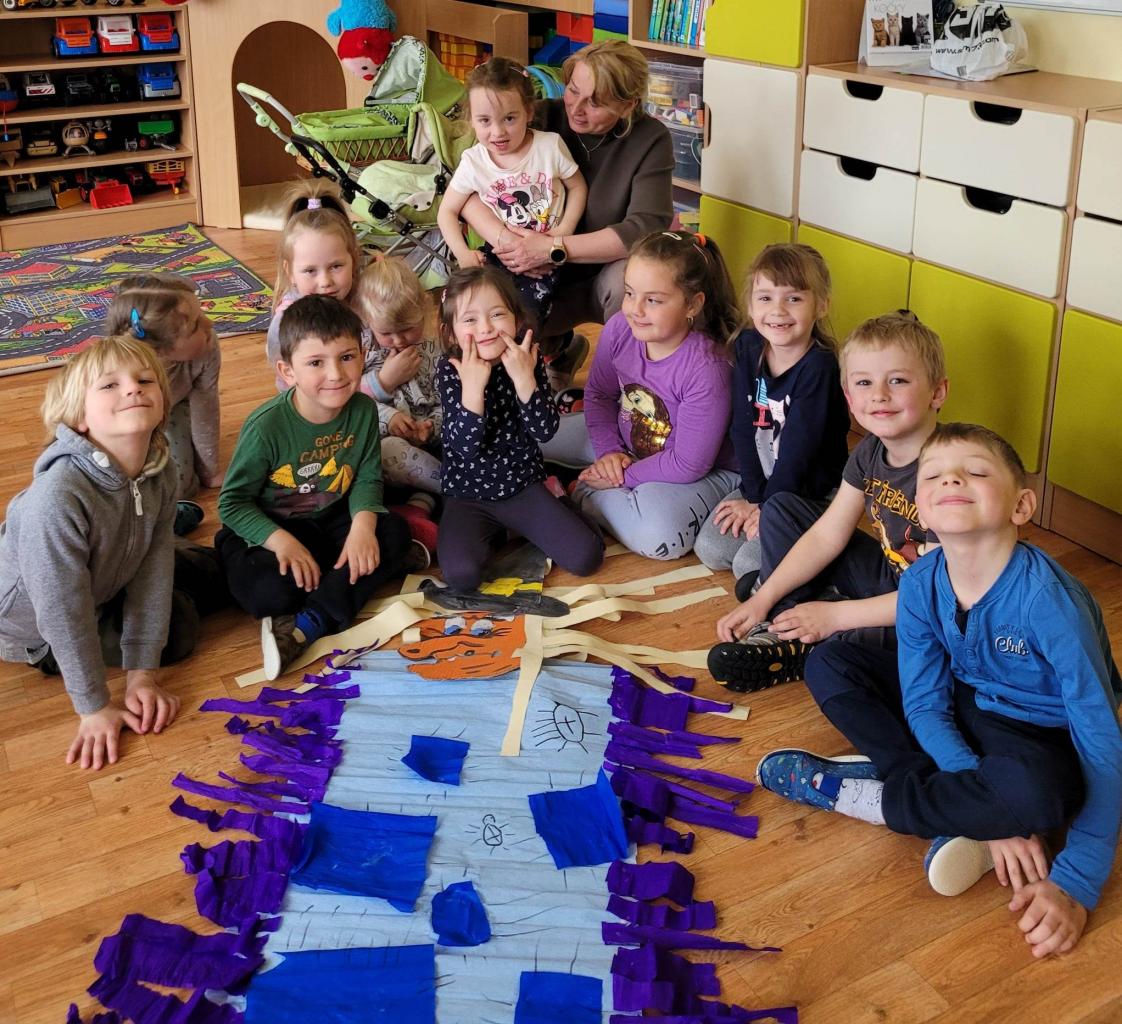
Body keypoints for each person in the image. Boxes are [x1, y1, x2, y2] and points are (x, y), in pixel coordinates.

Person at [755, 423, 1122, 959]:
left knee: (1039, 797)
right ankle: (963, 809)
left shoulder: (1049, 602)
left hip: (1038, 734)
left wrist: (1078, 881)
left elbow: (1100, 736)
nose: (951, 479)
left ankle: (878, 799)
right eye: (933, 476)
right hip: (964, 703)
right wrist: (976, 794)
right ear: (922, 511)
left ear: (1021, 505)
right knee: (831, 661)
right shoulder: (921, 581)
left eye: (975, 472)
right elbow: (925, 701)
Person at [710, 312, 948, 691]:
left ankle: (802, 635)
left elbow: (935, 596)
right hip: (891, 576)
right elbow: (826, 535)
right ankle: (788, 617)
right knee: (782, 508)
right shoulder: (870, 450)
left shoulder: (949, 474)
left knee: (875, 647)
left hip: (930, 609)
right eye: (864, 382)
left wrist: (835, 617)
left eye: (898, 380)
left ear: (937, 392)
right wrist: (764, 599)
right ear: (849, 398)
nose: (879, 395)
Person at [0, 335, 195, 770]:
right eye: (110, 385)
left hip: (107, 576)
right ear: (78, 419)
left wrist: (143, 673)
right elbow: (62, 612)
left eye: (145, 380)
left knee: (196, 573)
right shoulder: (56, 499)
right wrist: (94, 706)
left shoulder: (160, 470)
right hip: (36, 629)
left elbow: (155, 567)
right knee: (181, 629)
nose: (133, 389)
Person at [217, 295, 412, 681]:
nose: (336, 374)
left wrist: (362, 528)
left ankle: (312, 620)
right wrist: (282, 543)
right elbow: (232, 504)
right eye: (316, 363)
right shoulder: (266, 426)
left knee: (393, 532)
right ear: (287, 371)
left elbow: (367, 476)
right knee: (269, 593)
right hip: (271, 527)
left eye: (346, 357)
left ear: (363, 355)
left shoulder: (363, 410)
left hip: (331, 517)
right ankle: (335, 584)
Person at [461, 40, 674, 390]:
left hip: (599, 277)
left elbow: (644, 229)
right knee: (483, 300)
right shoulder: (537, 115)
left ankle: (625, 387)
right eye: (574, 90)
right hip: (529, 269)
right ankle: (555, 351)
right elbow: (467, 190)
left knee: (634, 277)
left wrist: (553, 248)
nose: (577, 108)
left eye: (596, 102)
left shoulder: (650, 139)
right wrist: (511, 242)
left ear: (627, 106)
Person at [545, 230, 742, 561]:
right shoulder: (620, 328)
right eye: (629, 293)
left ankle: (579, 491)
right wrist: (609, 452)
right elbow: (599, 394)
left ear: (693, 304)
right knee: (530, 438)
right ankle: (589, 484)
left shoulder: (708, 367)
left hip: (695, 471)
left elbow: (688, 463)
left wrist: (621, 475)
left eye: (653, 300)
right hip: (626, 446)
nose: (635, 309)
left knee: (659, 535)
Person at [436, 265, 603, 591]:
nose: (486, 328)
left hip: (523, 485)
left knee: (587, 557)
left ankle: (558, 494)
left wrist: (525, 379)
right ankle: (501, 530)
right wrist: (473, 390)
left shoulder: (527, 357)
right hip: (468, 494)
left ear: (516, 319)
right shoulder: (451, 368)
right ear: (451, 333)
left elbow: (545, 431)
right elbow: (464, 447)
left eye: (497, 314)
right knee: (461, 576)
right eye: (470, 320)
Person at [694, 244, 850, 589]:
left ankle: (826, 545)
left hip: (810, 492)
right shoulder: (749, 346)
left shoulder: (819, 367)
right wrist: (753, 497)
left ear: (821, 305)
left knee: (748, 566)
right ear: (751, 305)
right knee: (711, 550)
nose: (778, 311)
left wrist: (767, 509)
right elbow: (742, 428)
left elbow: (798, 453)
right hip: (764, 483)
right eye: (765, 298)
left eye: (793, 298)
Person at [437, 57, 588, 326]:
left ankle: (536, 350)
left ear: (529, 112)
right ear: (471, 120)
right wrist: (463, 254)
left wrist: (563, 232)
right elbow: (447, 211)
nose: (498, 132)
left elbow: (577, 187)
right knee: (462, 308)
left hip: (547, 256)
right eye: (484, 120)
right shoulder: (473, 161)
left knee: (521, 320)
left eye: (509, 118)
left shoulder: (549, 147)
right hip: (499, 255)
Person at [105, 273, 221, 536]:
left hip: (173, 409)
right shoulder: (118, 368)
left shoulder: (207, 345)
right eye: (195, 325)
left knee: (179, 485)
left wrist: (210, 470)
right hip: (126, 420)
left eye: (202, 313)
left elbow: (206, 407)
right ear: (159, 349)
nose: (210, 323)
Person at [352, 256, 443, 552]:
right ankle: (458, 488)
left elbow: (451, 400)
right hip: (387, 453)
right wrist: (389, 417)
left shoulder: (435, 351)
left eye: (407, 329)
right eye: (386, 333)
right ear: (367, 322)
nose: (399, 340)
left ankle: (422, 505)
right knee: (390, 450)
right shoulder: (363, 354)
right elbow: (351, 402)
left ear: (424, 310)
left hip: (434, 444)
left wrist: (432, 426)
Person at [264, 180, 367, 390]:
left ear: (354, 259)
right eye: (310, 271)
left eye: (336, 266)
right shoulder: (284, 322)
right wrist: (381, 383)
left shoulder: (366, 300)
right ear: (290, 272)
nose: (325, 281)